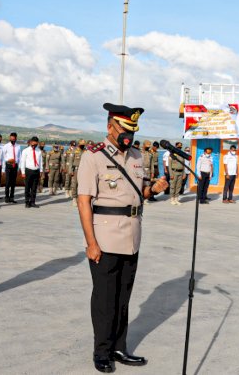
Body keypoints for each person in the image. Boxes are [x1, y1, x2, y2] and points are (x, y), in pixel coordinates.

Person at [76, 103, 168, 372]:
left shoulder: (137, 156)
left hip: (131, 236)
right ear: (110, 127)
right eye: (124, 128)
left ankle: (119, 346)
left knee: (123, 297)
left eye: (132, 130)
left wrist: (155, 189)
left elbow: (140, 194)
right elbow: (84, 201)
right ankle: (101, 351)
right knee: (105, 298)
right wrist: (91, 242)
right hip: (104, 237)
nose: (128, 135)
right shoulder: (93, 156)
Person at [20, 136, 43, 208]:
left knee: (34, 188)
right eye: (33, 143)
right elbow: (22, 162)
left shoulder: (39, 151)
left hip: (36, 170)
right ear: (30, 142)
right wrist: (23, 172)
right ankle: (27, 202)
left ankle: (33, 202)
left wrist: (41, 170)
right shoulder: (25, 151)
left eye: (36, 143)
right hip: (28, 171)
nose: (34, 144)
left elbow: (40, 161)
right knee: (27, 187)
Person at [1, 132, 21, 204]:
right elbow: (2, 157)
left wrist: (19, 167)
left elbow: (19, 157)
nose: (13, 139)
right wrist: (6, 162)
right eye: (11, 138)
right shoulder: (6, 146)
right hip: (8, 165)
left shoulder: (18, 146)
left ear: (16, 138)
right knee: (7, 182)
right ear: (10, 138)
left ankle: (11, 197)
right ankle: (6, 197)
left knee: (13, 182)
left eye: (14, 138)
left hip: (15, 166)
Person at [69, 139, 85, 206]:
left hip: (83, 170)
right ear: (79, 144)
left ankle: (79, 198)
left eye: (83, 145)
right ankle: (74, 199)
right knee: (74, 184)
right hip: (76, 170)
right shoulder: (74, 151)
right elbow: (71, 162)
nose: (82, 146)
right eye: (81, 145)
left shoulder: (85, 151)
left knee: (82, 185)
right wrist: (70, 170)